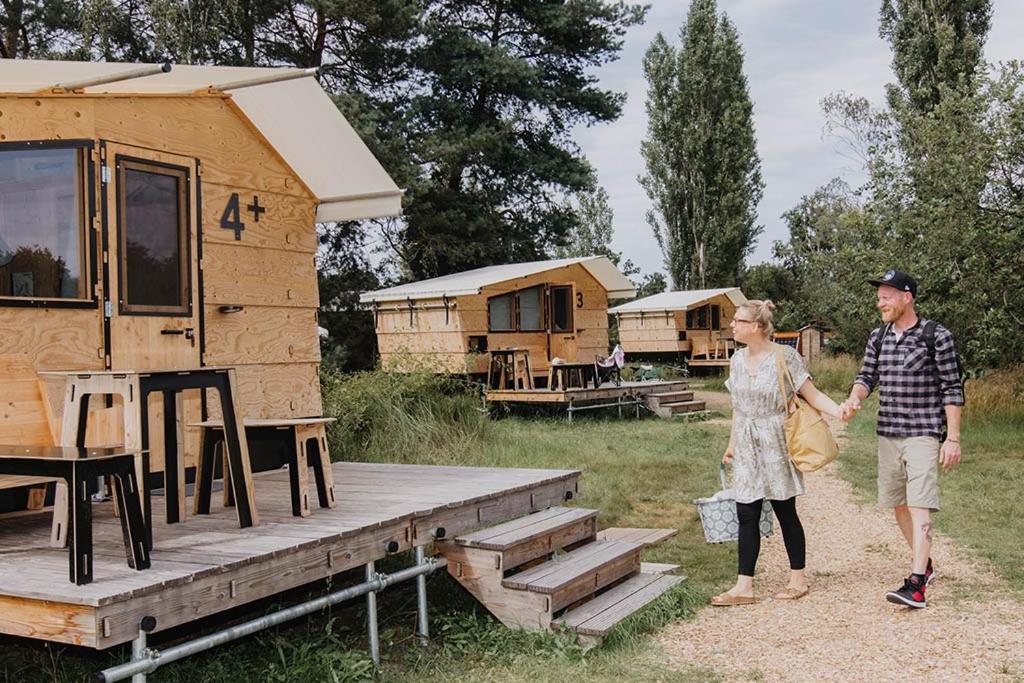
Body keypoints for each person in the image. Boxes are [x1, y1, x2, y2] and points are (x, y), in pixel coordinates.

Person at [842, 270, 964, 608]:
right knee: (898, 505)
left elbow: (953, 388)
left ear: (906, 297)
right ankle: (925, 563)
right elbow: (867, 376)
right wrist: (855, 398)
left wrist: (951, 438)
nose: (879, 302)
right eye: (879, 296)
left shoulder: (935, 336)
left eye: (886, 296)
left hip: (923, 431)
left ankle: (916, 584)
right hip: (888, 432)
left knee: (919, 504)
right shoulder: (878, 337)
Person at [713, 300, 847, 606]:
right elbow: (737, 407)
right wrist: (732, 444)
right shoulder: (735, 360)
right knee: (746, 512)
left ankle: (797, 578)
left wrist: (840, 411)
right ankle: (743, 585)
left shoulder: (785, 357)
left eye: (738, 321)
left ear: (757, 327)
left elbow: (811, 394)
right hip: (747, 442)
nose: (732, 325)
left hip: (776, 439)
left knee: (785, 510)